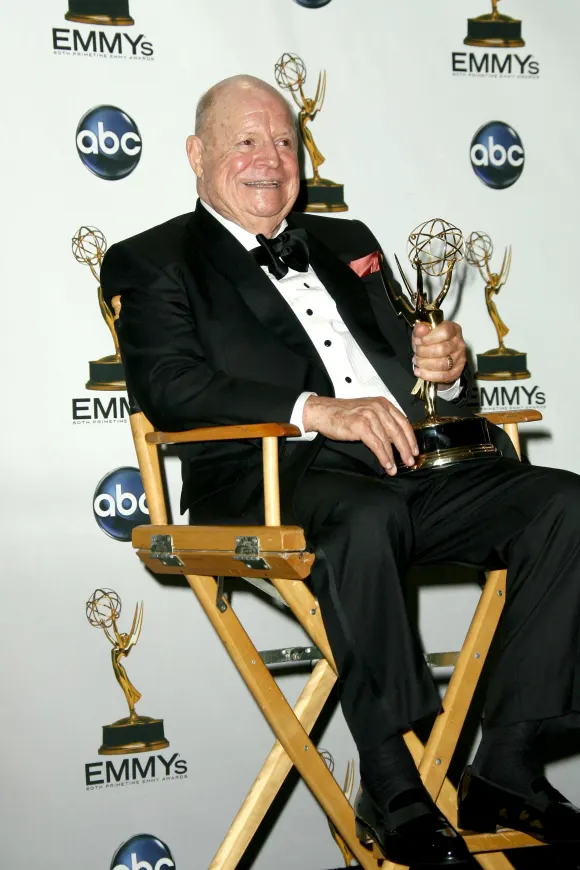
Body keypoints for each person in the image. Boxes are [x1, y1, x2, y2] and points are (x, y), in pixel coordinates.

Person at [101, 74, 580, 866]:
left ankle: (509, 765)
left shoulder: (347, 238)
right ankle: (392, 785)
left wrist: (445, 369)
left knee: (564, 504)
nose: (270, 158)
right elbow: (170, 386)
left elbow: (423, 383)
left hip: (410, 467)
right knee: (364, 515)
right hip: (269, 481)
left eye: (284, 142)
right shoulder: (151, 259)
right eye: (245, 141)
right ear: (196, 154)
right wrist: (313, 409)